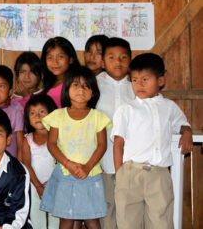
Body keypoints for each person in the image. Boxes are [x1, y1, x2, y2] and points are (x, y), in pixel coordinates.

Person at [112, 53, 193, 229]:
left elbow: (182, 124)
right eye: (134, 80)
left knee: (161, 222)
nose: (139, 84)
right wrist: (120, 175)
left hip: (159, 174)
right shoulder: (126, 109)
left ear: (160, 81)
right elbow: (118, 143)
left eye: (145, 79)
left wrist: (187, 132)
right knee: (128, 223)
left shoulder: (169, 107)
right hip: (130, 173)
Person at [41, 66, 111, 229]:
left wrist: (87, 166)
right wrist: (68, 164)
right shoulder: (58, 115)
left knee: (92, 220)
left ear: (93, 92)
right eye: (76, 85)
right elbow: (51, 144)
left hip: (90, 175)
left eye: (86, 85)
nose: (81, 89)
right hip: (65, 174)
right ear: (66, 89)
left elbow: (102, 145)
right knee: (66, 220)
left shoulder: (98, 116)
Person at [96, 37, 135, 229]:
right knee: (108, 212)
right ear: (102, 62)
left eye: (123, 57)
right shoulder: (94, 85)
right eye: (111, 57)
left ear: (130, 60)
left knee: (132, 212)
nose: (118, 62)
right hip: (104, 162)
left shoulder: (136, 86)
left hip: (133, 162)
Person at [21, 94, 59, 229]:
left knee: (56, 222)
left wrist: (52, 183)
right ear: (27, 118)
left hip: (56, 186)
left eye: (42, 112)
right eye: (32, 113)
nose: (37, 116)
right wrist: (38, 186)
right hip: (35, 187)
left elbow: (62, 162)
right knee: (38, 222)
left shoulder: (58, 137)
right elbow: (26, 164)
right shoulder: (28, 140)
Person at [41, 37, 80, 108]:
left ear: (71, 59)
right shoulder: (50, 83)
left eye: (60, 57)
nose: (55, 62)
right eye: (50, 57)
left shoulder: (76, 84)